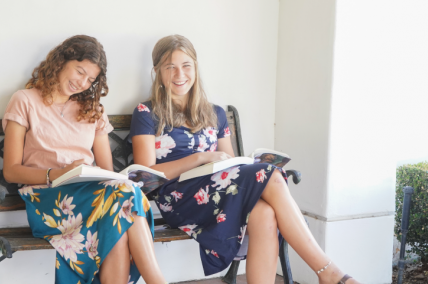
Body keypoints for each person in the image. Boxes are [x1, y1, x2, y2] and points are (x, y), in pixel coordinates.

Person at [129, 35, 360, 284]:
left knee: (265, 213)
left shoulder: (214, 113)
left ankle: (327, 273)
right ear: (157, 72)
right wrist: (200, 158)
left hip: (220, 191)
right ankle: (328, 272)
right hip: (180, 199)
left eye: (186, 65)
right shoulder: (146, 113)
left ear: (195, 67)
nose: (179, 74)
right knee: (269, 175)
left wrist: (238, 162)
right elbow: (147, 174)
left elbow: (229, 160)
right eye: (169, 67)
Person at [2, 35, 166, 284]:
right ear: (61, 61)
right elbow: (11, 171)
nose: (82, 83)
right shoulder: (24, 100)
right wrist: (56, 173)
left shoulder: (93, 110)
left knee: (121, 211)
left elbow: (108, 172)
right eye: (79, 72)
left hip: (91, 196)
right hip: (46, 198)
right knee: (123, 205)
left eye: (90, 79)